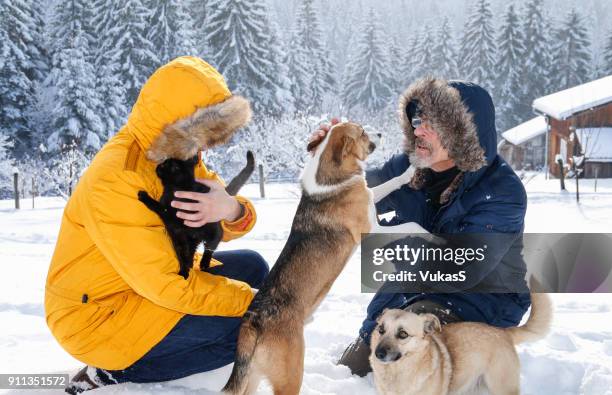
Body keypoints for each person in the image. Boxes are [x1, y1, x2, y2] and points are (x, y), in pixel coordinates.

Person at [44, 56, 269, 394]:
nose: (209, 143)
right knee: (252, 326)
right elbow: (166, 286)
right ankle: (110, 372)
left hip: (147, 285)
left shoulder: (177, 153)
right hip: (97, 317)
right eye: (206, 132)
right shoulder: (116, 180)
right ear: (178, 123)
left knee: (254, 267)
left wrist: (231, 208)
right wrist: (258, 303)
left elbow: (226, 221)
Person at [312, 77, 531, 376]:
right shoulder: (410, 167)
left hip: (483, 300)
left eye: (434, 123)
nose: (419, 130)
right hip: (406, 292)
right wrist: (329, 163)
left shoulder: (502, 191)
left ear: (463, 134)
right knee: (354, 369)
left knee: (411, 365)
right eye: (418, 120)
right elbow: (351, 195)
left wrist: (389, 240)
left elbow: (459, 267)